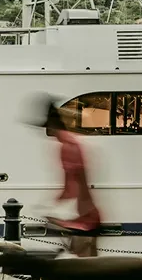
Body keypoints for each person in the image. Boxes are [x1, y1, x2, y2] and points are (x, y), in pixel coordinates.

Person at [44, 99, 102, 256]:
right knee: (89, 265)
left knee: (83, 268)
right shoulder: (72, 142)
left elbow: (71, 188)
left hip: (85, 219)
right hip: (87, 214)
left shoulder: (67, 147)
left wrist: (51, 208)